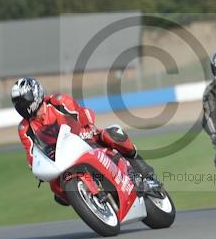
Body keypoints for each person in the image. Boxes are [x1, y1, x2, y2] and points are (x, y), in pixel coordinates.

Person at [10, 77, 158, 201]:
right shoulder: (24, 128)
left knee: (112, 135)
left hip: (84, 137)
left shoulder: (57, 101)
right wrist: (36, 168)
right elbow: (31, 154)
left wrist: (88, 126)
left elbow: (81, 112)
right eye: (17, 103)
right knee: (56, 189)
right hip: (60, 157)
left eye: (23, 100)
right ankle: (89, 198)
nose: (21, 105)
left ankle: (144, 173)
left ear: (35, 93)